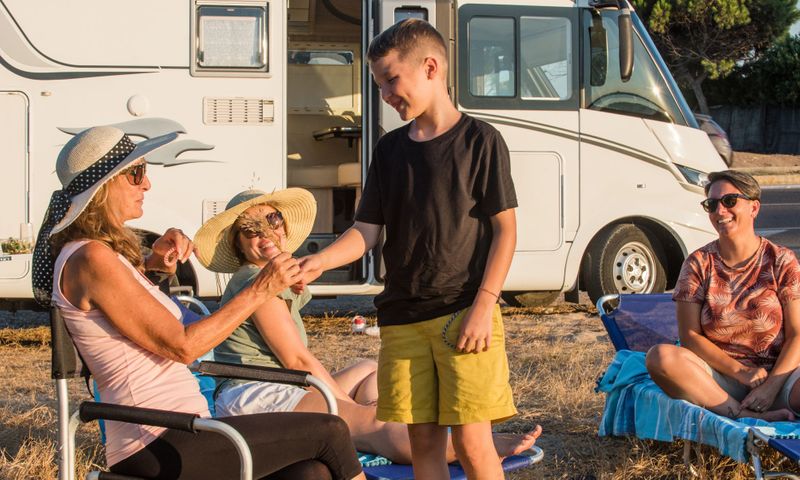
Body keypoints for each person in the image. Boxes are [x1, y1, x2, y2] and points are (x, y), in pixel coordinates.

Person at [31, 126, 365, 480]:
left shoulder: (99, 257)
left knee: (310, 473)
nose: (147, 185)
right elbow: (183, 346)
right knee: (330, 431)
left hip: (180, 428)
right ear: (104, 186)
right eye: (137, 172)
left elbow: (123, 315)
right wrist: (261, 289)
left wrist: (154, 267)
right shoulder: (91, 258)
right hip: (154, 439)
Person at [297, 19, 541, 479]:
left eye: (391, 80)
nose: (385, 94)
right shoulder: (389, 150)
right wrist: (320, 261)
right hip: (402, 319)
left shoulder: (480, 141)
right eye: (379, 84)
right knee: (423, 441)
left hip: (463, 313)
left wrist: (484, 306)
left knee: (472, 442)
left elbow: (505, 232)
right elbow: (365, 231)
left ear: (430, 67)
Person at [193, 188, 540, 465]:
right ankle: (469, 444)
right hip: (257, 395)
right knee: (371, 423)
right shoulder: (255, 280)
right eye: (249, 230)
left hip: (279, 386)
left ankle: (381, 422)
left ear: (283, 224)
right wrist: (351, 408)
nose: (264, 233)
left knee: (368, 369)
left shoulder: (273, 276)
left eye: (271, 218)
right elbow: (297, 360)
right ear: (238, 243)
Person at [646, 170, 800, 422]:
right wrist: (740, 372)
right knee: (660, 357)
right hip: (716, 381)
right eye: (712, 204)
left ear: (754, 207)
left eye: (729, 201)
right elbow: (690, 337)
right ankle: (742, 414)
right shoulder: (698, 263)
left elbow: (797, 334)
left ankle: (762, 409)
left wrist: (770, 387)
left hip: (778, 377)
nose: (720, 211)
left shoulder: (781, 260)